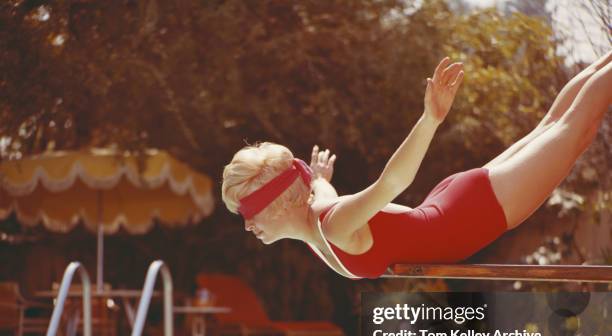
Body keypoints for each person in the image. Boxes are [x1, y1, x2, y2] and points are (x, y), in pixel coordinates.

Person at [222, 54, 612, 279]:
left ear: (281, 203)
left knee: (574, 129)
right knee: (557, 123)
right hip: (453, 205)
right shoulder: (317, 218)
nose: (247, 224)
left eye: (250, 211)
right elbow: (321, 190)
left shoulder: (333, 225)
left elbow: (393, 181)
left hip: (470, 214)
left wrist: (430, 120)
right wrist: (320, 178)